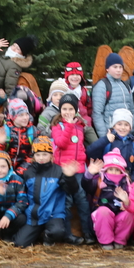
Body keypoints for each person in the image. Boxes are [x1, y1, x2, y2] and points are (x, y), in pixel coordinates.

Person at [14, 136, 83, 247]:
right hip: (34, 216)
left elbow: (71, 190)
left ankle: (49, 238)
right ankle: (37, 233)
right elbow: (23, 194)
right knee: (20, 244)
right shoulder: (28, 173)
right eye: (38, 155)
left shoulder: (58, 171)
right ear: (33, 156)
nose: (41, 158)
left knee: (57, 231)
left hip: (53, 214)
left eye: (45, 154)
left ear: (51, 155)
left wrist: (69, 177)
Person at [49, 93, 94, 243]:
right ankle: (68, 234)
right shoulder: (57, 126)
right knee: (66, 202)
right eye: (64, 109)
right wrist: (68, 125)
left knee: (83, 201)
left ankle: (88, 233)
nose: (67, 112)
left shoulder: (81, 126)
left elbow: (81, 146)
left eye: (70, 109)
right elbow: (61, 143)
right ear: (60, 110)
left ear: (76, 110)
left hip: (79, 170)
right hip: (64, 171)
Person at [83, 148, 134, 250]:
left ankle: (120, 241)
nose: (114, 172)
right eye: (111, 169)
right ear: (106, 170)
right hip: (103, 215)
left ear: (121, 171)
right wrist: (89, 174)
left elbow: (133, 202)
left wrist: (126, 202)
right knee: (103, 211)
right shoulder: (99, 180)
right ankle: (106, 242)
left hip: (119, 215)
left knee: (129, 214)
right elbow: (87, 186)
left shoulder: (127, 183)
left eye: (117, 170)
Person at [0, 150, 29, 243]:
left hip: (11, 211)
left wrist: (8, 215)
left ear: (9, 166)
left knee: (21, 218)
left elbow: (22, 202)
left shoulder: (18, 180)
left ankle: (7, 235)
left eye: (3, 166)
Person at [92, 52, 134, 138]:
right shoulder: (102, 86)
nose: (118, 70)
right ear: (107, 69)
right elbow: (97, 114)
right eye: (115, 67)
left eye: (120, 67)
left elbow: (132, 111)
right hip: (111, 134)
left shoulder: (125, 86)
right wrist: (105, 137)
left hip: (128, 134)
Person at [87, 108, 134, 180]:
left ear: (130, 128)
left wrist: (133, 179)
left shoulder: (133, 145)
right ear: (114, 126)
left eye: (126, 125)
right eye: (119, 124)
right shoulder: (107, 141)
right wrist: (105, 140)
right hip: (107, 180)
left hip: (126, 181)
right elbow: (90, 152)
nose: (123, 127)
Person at [0, 98, 37, 176]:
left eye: (26, 114)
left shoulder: (33, 131)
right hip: (4, 171)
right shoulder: (5, 130)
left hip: (24, 171)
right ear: (13, 116)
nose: (25, 118)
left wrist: (18, 172)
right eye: (21, 115)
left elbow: (33, 155)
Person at [64, 61, 93, 126]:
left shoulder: (85, 91)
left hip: (84, 122)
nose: (75, 77)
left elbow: (90, 109)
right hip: (67, 121)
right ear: (67, 76)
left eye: (77, 75)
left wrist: (88, 121)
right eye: (72, 75)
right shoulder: (63, 90)